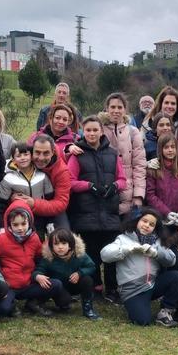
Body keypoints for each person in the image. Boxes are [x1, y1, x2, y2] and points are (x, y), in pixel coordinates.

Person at [66, 116, 127, 298]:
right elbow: (70, 181)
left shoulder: (112, 153)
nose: (92, 133)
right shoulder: (77, 154)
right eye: (88, 130)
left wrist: (115, 186)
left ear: (101, 131)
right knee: (90, 254)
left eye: (95, 130)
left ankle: (112, 288)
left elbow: (122, 179)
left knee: (111, 253)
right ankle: (95, 286)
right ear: (83, 132)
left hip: (109, 212)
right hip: (86, 213)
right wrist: (88, 186)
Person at [101, 209, 178, 327]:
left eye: (151, 224)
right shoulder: (123, 238)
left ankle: (165, 313)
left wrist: (156, 253)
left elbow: (172, 260)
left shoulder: (158, 241)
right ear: (137, 221)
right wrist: (127, 250)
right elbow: (105, 255)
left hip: (152, 285)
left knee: (176, 276)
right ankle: (137, 306)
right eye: (144, 221)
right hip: (133, 290)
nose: (147, 226)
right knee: (143, 321)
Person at [0, 200, 52, 316]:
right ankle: (12, 305)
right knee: (2, 309)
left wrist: (37, 275)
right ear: (8, 224)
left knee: (56, 285)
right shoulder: (0, 239)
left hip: (29, 283)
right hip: (8, 286)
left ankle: (33, 302)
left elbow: (41, 259)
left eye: (23, 224)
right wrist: (0, 280)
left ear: (29, 222)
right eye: (15, 225)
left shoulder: (34, 238)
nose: (20, 228)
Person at [33, 228, 100, 320]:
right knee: (64, 302)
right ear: (51, 246)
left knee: (87, 280)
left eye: (64, 243)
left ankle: (88, 309)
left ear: (70, 245)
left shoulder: (79, 254)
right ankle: (60, 303)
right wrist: (37, 276)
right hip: (59, 289)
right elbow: (38, 270)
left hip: (75, 284)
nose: (60, 247)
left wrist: (79, 273)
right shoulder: (48, 258)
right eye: (56, 244)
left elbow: (91, 266)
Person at [103, 92, 146, 216]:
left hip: (128, 192)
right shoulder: (98, 129)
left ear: (125, 110)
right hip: (105, 191)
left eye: (120, 107)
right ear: (107, 108)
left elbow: (139, 166)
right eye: (113, 107)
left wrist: (138, 195)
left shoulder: (133, 132)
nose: (116, 110)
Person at [146, 134, 178, 235]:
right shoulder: (153, 169)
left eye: (173, 147)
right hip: (160, 219)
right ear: (160, 149)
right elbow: (150, 195)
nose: (170, 150)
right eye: (166, 147)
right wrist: (166, 212)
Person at [26, 134, 73, 231]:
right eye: (37, 153)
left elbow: (61, 203)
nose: (41, 158)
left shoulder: (62, 171)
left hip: (52, 208)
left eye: (46, 153)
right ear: (32, 152)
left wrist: (34, 204)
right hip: (28, 207)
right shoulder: (24, 163)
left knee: (63, 236)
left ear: (53, 152)